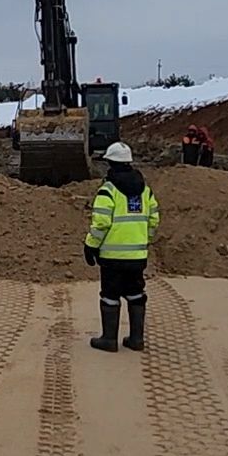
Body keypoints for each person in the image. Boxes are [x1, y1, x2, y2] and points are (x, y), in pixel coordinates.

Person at [83, 141, 160, 352]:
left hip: (112, 257)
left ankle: (109, 339)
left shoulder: (108, 191)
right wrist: (143, 240)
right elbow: (153, 220)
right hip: (137, 256)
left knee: (110, 295)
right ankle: (136, 339)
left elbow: (101, 223)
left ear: (110, 163)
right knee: (136, 293)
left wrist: (91, 245)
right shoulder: (145, 190)